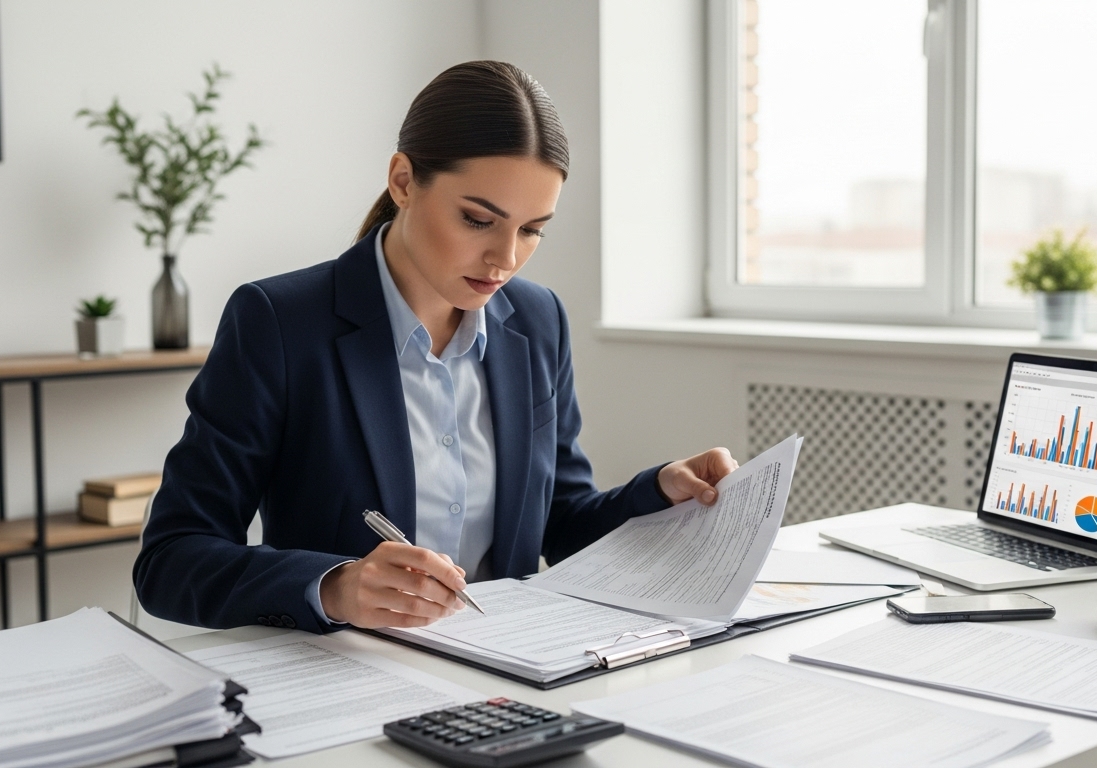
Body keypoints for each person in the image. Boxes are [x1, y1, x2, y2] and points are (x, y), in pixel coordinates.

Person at [134, 60, 737, 634]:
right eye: (478, 220)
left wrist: (660, 493)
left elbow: (559, 521)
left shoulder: (537, 319)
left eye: (531, 231)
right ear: (403, 181)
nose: (506, 258)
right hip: (350, 674)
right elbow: (171, 560)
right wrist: (336, 586)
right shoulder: (279, 322)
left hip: (512, 669)